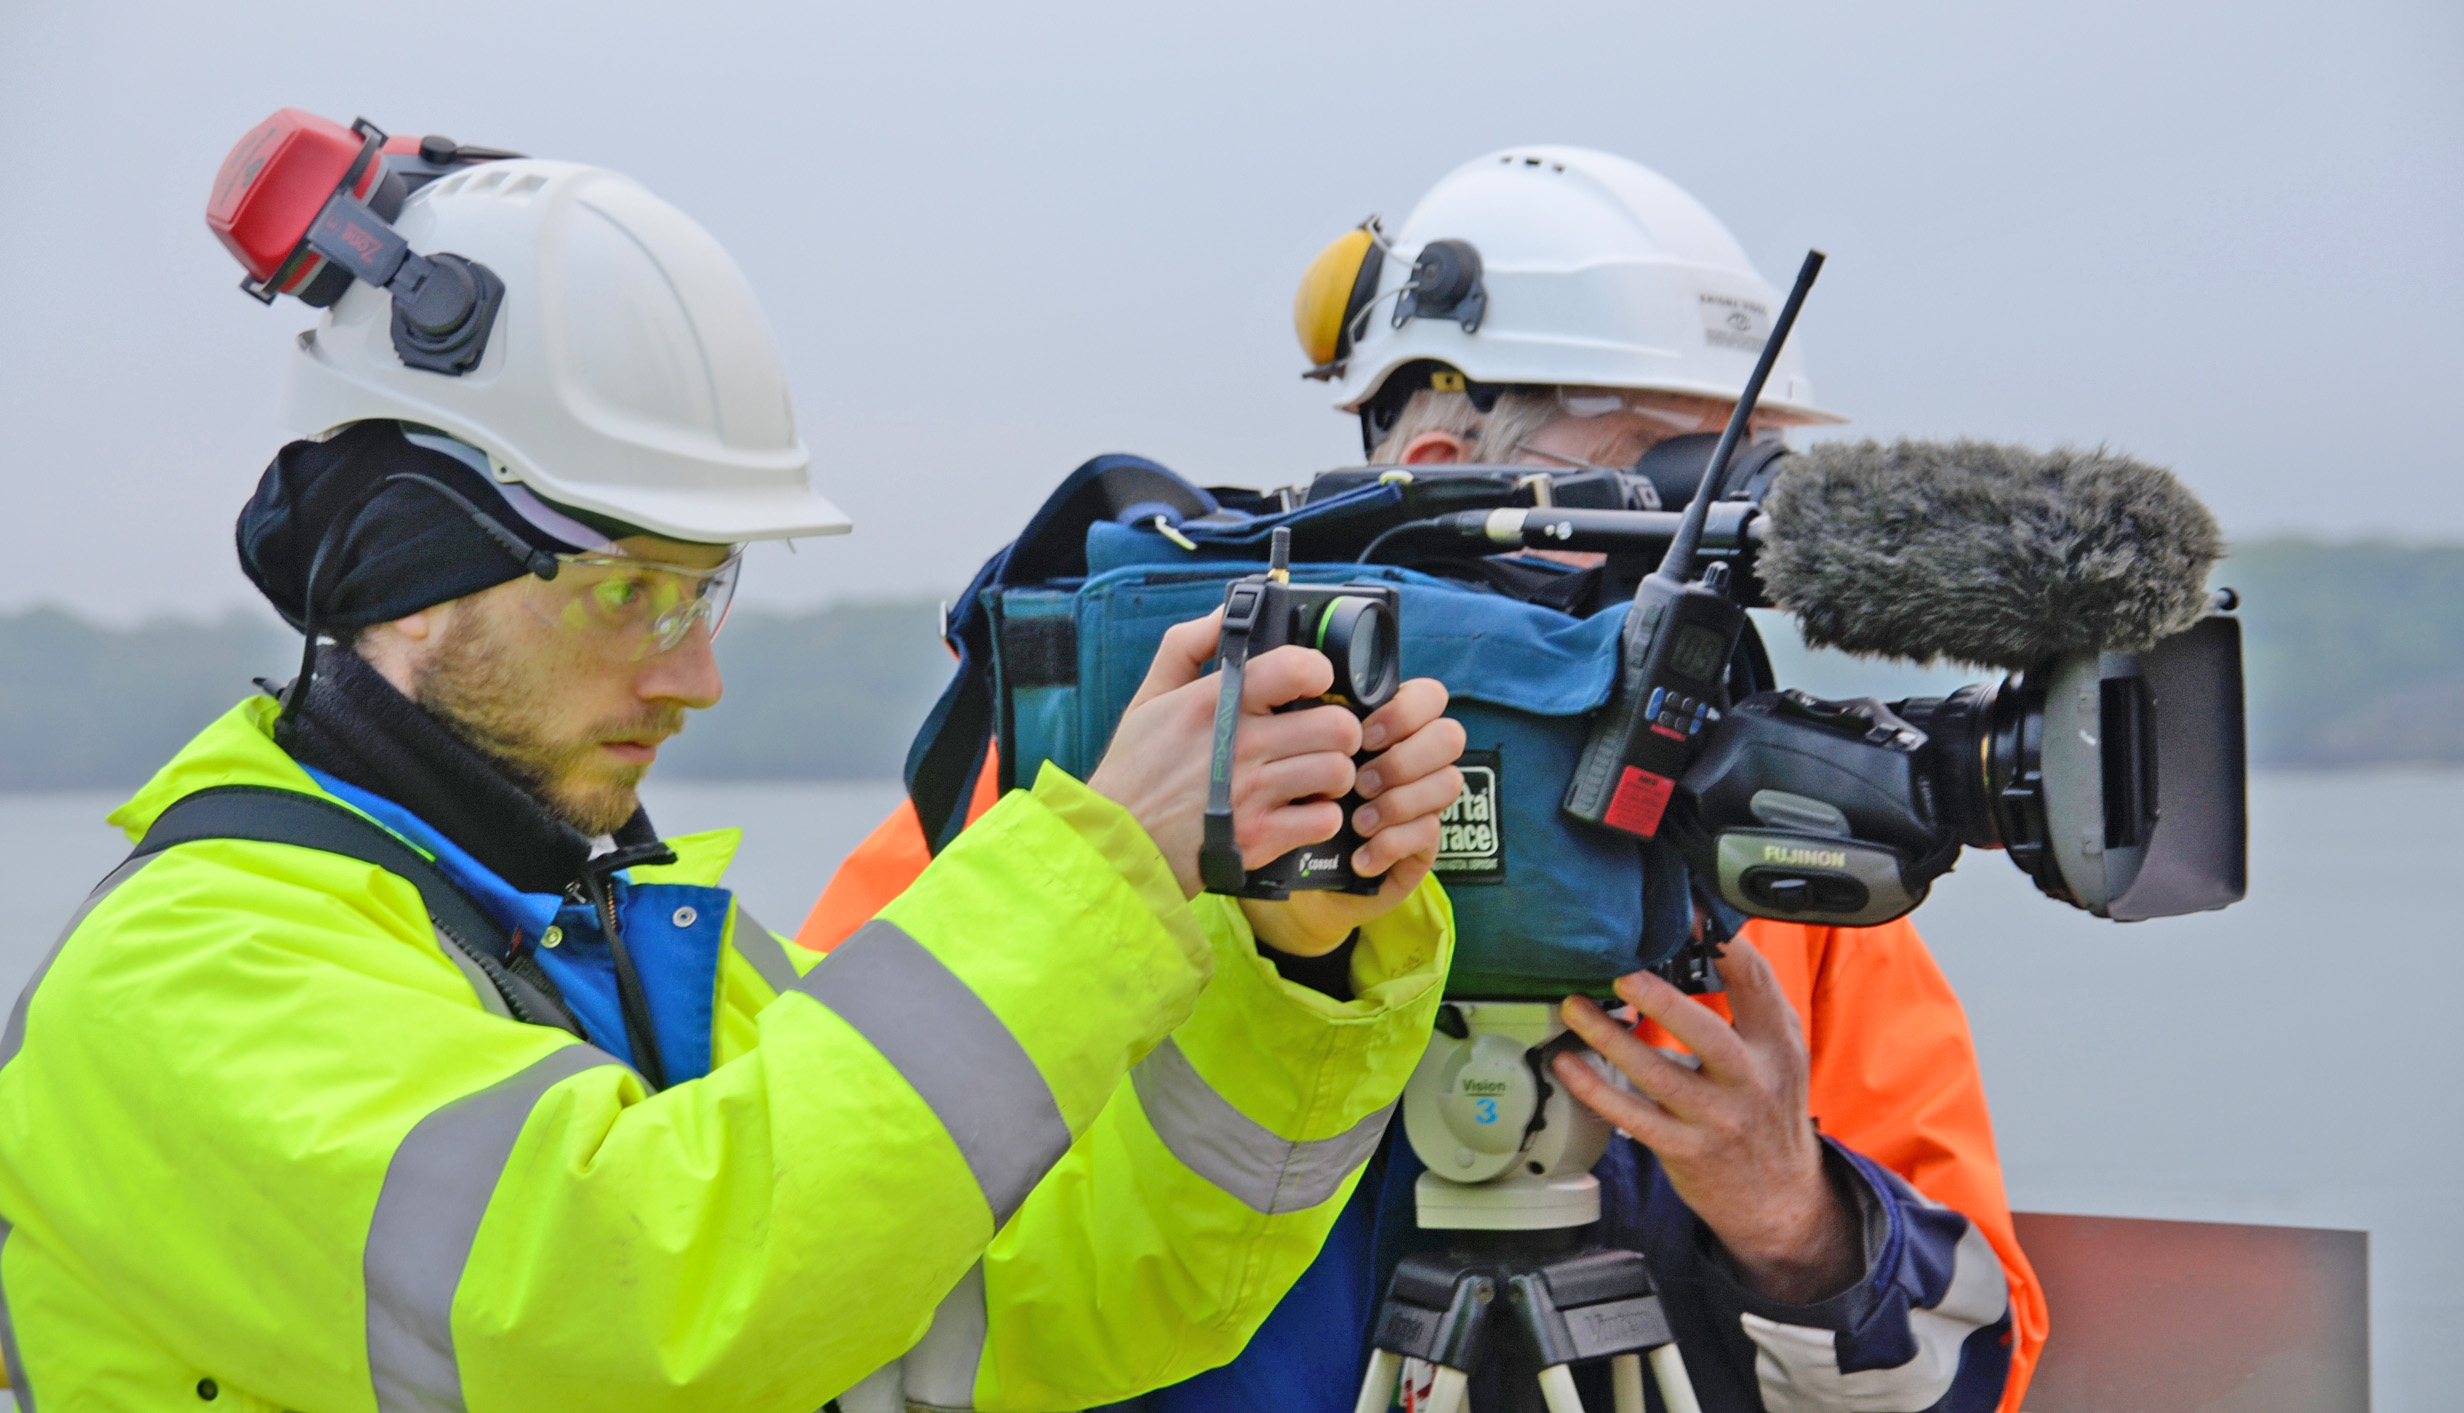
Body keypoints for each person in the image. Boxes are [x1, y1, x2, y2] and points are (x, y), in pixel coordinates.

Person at [0, 122, 1471, 1411]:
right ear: (401, 561)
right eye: (623, 591)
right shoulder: (186, 979)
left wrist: (1295, 963)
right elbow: (646, 1308)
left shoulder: (621, 937)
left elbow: (1042, 1299)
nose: (696, 673)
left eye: (702, 589)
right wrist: (1107, 868)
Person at [802, 147, 2049, 1413]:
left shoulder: (1752, 862)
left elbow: (1973, 1366)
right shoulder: (1086, 795)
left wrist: (1800, 1221)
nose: (1718, 570)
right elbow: (834, 1253)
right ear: (1455, 475)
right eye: (1663, 493)